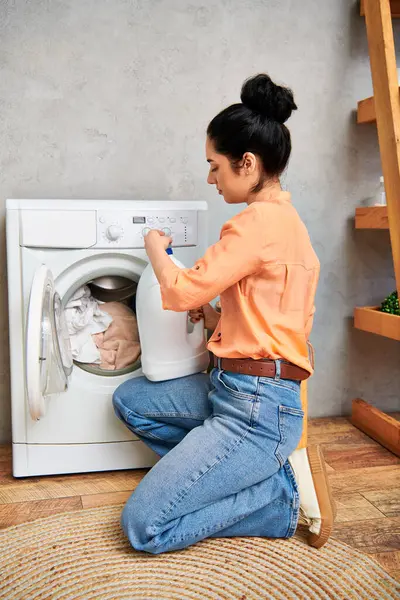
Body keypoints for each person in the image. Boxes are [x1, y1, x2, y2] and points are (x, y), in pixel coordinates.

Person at [113, 73, 335, 555]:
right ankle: (227, 479)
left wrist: (154, 248)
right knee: (132, 399)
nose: (210, 178)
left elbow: (177, 292)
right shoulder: (288, 224)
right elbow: (277, 322)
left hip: (255, 410)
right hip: (237, 388)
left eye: (215, 166)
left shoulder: (256, 224)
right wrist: (217, 318)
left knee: (142, 526)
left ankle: (277, 497)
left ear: (247, 163)